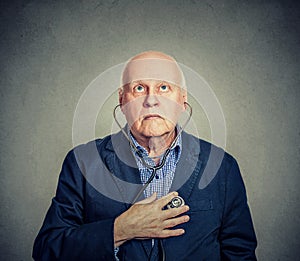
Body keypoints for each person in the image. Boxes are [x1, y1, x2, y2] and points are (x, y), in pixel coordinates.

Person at [33, 51, 257, 260]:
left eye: (164, 88)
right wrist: (119, 230)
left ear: (182, 100)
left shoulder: (222, 167)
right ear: (122, 100)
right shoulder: (83, 162)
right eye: (139, 88)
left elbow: (240, 253)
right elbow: (47, 249)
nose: (151, 100)